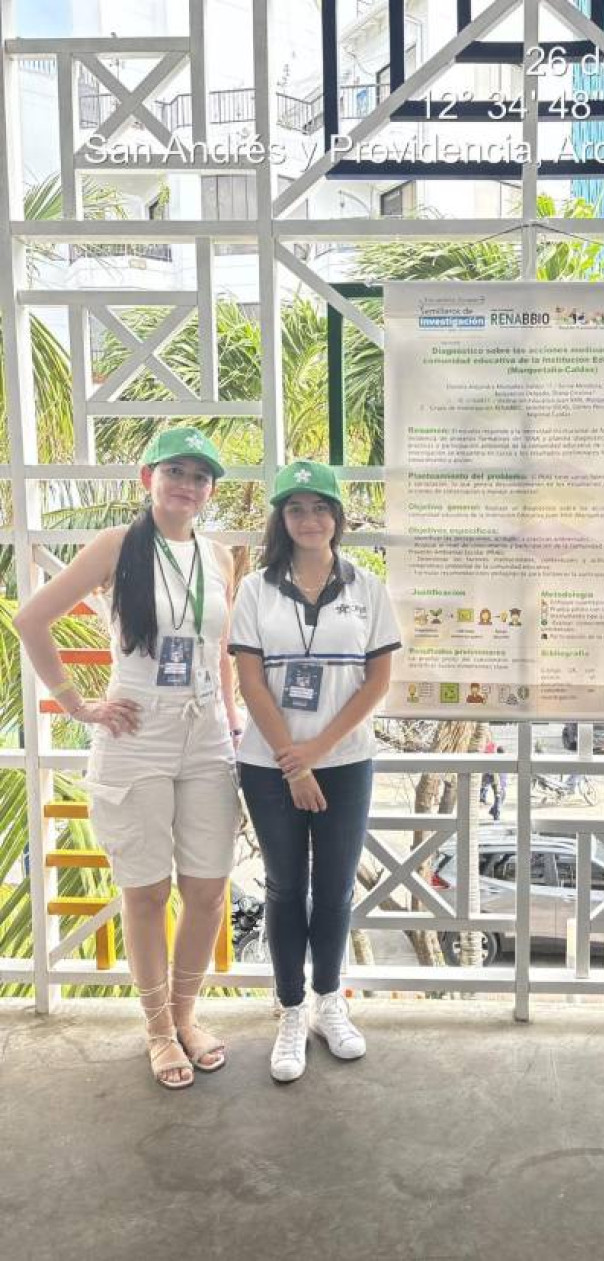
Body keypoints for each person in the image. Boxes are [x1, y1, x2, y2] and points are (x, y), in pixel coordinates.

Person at [14, 428, 242, 1089]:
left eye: (200, 476)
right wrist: (77, 703)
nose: (187, 484)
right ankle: (155, 1029)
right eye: (175, 470)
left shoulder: (220, 555)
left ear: (209, 491)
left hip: (204, 736)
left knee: (206, 890)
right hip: (136, 726)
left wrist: (229, 718)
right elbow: (32, 619)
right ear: (148, 477)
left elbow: (218, 647)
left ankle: (185, 1014)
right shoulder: (117, 545)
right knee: (145, 891)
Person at [230, 460, 400, 1083]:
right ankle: (291, 1010)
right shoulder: (256, 589)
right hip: (269, 764)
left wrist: (317, 753)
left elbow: (376, 680)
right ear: (282, 519)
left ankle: (330, 1001)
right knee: (283, 887)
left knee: (333, 890)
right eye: (296, 509)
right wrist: (290, 761)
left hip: (346, 762)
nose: (309, 519)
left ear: (338, 518)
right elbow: (250, 680)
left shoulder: (366, 588)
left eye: (320, 508)